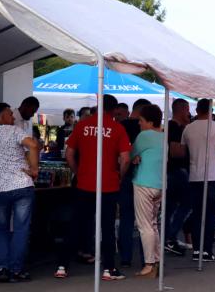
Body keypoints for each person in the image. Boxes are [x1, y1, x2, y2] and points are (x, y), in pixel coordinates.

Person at [55, 94, 131, 280]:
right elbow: (125, 158)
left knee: (76, 224)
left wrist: (78, 172)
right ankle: (108, 269)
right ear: (114, 110)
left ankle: (62, 266)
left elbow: (69, 153)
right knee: (107, 227)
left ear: (98, 106)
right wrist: (119, 176)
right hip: (109, 185)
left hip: (84, 183)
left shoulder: (82, 125)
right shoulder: (117, 128)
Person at [0, 103, 40, 283]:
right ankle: (16, 270)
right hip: (21, 186)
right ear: (2, 116)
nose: (13, 117)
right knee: (21, 229)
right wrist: (34, 169)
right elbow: (33, 145)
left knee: (1, 229)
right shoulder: (15, 131)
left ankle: (2, 269)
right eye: (10, 114)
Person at [180, 99, 215, 262]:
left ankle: (196, 249)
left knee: (197, 213)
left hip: (194, 175)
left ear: (197, 110)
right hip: (212, 176)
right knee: (210, 215)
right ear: (210, 110)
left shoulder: (188, 128)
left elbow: (182, 152)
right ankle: (206, 250)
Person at [117, 98, 151, 271]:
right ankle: (147, 259)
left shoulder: (121, 126)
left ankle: (125, 258)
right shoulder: (147, 130)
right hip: (144, 177)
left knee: (126, 219)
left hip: (125, 177)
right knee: (146, 221)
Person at [131, 104, 164, 278]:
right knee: (153, 224)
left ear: (150, 122)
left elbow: (130, 154)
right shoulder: (164, 137)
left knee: (144, 226)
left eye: (141, 120)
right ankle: (157, 261)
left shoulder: (144, 136)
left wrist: (135, 157)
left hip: (143, 183)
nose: (139, 123)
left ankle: (149, 264)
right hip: (160, 185)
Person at [163, 99, 194, 256]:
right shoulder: (175, 128)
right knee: (187, 203)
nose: (188, 113)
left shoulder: (174, 127)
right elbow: (176, 152)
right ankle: (170, 236)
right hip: (177, 171)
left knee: (170, 207)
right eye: (187, 110)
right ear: (182, 110)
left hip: (172, 172)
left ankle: (168, 239)